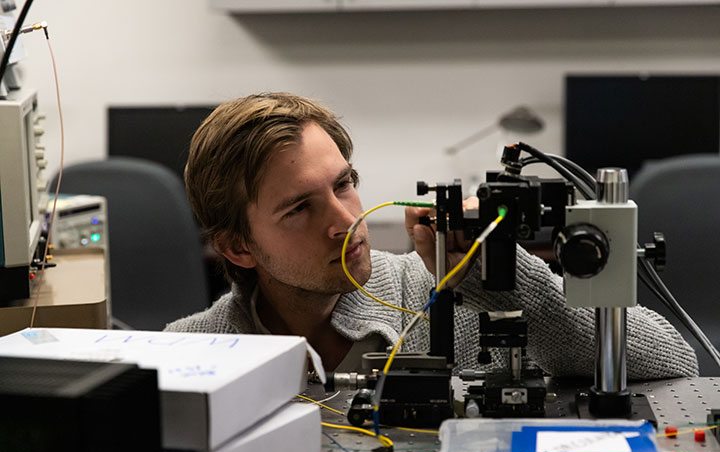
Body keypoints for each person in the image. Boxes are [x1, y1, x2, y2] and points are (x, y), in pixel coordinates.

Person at [164, 92, 698, 378]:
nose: (346, 220)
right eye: (300, 208)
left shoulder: (438, 293)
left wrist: (503, 281)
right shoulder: (187, 350)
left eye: (344, 184)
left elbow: (675, 363)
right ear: (237, 246)